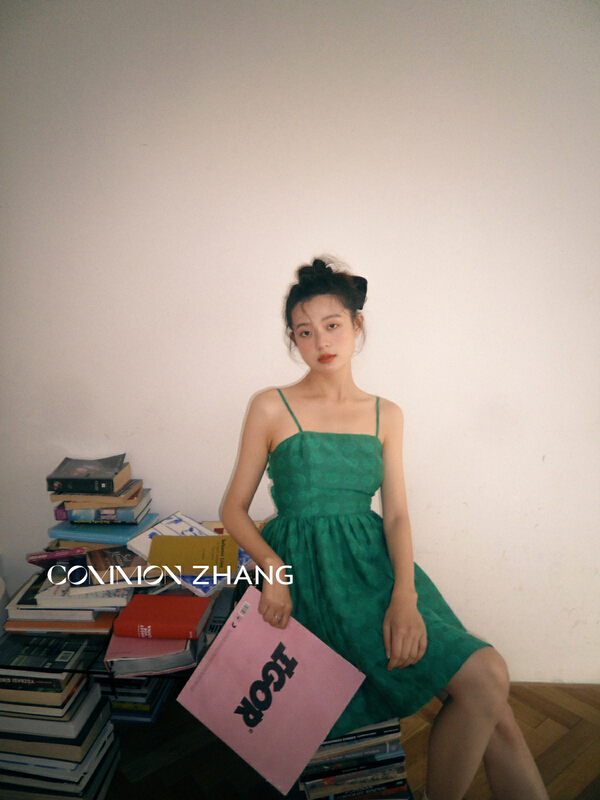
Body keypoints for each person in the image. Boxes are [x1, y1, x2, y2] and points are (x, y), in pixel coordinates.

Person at [221, 258, 549, 800]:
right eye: (305, 332)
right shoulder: (270, 406)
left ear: (357, 326)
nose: (321, 341)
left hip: (374, 570)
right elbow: (233, 509)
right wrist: (273, 570)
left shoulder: (386, 414)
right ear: (293, 340)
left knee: (489, 689)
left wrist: (405, 596)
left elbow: (396, 516)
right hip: (310, 580)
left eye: (332, 325)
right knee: (490, 691)